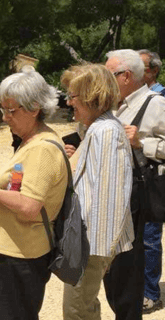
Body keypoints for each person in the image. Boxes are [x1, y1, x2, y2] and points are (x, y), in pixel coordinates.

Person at [0, 70, 68, 320]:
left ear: (34, 108)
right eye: (3, 109)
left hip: (23, 253)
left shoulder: (41, 148)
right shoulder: (30, 140)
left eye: (11, 111)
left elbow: (30, 206)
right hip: (15, 250)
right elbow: (19, 184)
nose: (5, 117)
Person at [60, 63, 135, 320]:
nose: (69, 103)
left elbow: (109, 197)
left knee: (78, 310)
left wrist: (91, 251)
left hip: (91, 243)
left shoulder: (105, 132)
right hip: (88, 241)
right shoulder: (98, 128)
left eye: (73, 96)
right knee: (82, 307)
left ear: (92, 97)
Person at [105, 49, 165, 320]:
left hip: (140, 196)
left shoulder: (156, 104)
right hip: (113, 195)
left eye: (109, 74)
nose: (103, 79)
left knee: (133, 258)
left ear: (126, 76)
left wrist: (142, 143)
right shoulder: (112, 104)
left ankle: (143, 296)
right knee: (113, 266)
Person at [138, 49, 165, 314]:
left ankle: (150, 293)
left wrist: (141, 142)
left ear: (153, 70)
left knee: (149, 236)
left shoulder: (161, 98)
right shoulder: (129, 100)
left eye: (141, 67)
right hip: (134, 177)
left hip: (154, 178)